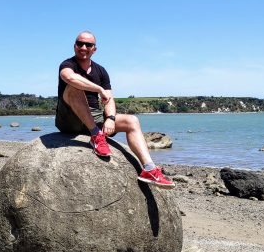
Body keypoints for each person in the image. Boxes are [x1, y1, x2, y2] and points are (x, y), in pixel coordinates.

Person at [55, 31, 175, 188]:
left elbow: (109, 99)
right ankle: (96, 135)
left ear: (94, 49)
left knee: (131, 121)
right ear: (74, 46)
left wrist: (111, 118)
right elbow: (69, 77)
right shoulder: (68, 64)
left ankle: (149, 169)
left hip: (93, 116)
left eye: (88, 45)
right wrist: (99, 89)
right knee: (75, 85)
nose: (83, 47)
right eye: (80, 44)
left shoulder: (101, 71)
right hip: (69, 117)